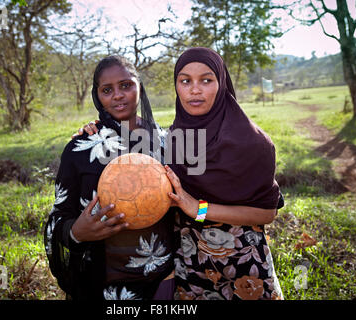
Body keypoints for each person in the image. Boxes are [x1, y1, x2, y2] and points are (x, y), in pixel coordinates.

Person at [78, 47, 284, 300]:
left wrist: (199, 208)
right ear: (177, 86)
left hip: (241, 264)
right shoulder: (171, 140)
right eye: (185, 81)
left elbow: (267, 212)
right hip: (188, 266)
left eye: (206, 80)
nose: (194, 90)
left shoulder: (253, 142)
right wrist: (93, 131)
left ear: (222, 83)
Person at [44, 55, 175, 301]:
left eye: (126, 85)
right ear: (97, 96)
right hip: (103, 285)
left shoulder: (167, 143)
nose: (117, 95)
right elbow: (58, 219)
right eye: (107, 90)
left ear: (139, 86)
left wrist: (202, 210)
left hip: (165, 280)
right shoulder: (81, 148)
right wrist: (76, 232)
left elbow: (193, 210)